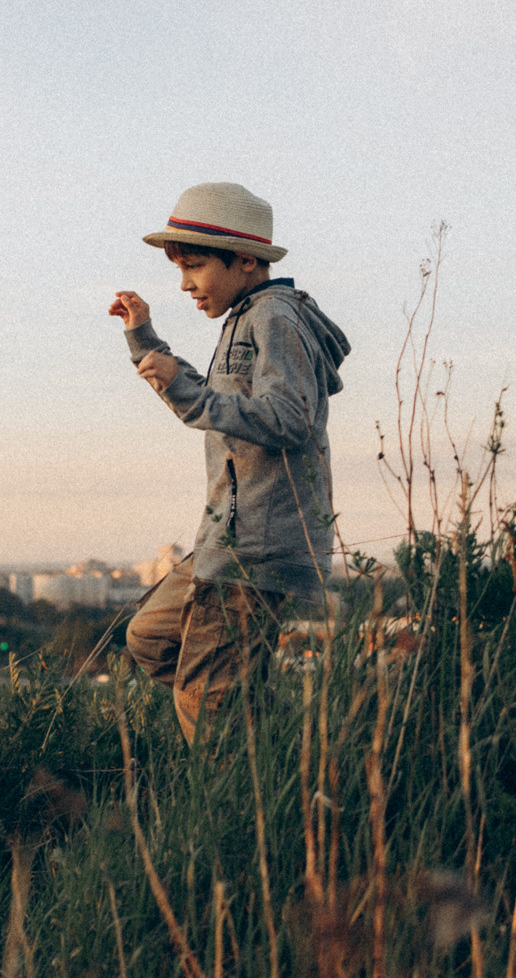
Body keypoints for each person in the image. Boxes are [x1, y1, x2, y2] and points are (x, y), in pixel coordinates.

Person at [108, 182, 350, 740]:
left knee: (206, 705)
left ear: (245, 260)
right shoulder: (245, 317)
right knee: (150, 637)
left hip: (256, 547)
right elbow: (213, 405)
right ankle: (267, 736)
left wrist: (187, 391)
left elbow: (290, 419)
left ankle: (241, 763)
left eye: (194, 266)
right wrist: (144, 341)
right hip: (225, 540)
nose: (186, 283)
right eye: (180, 269)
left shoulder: (274, 318)